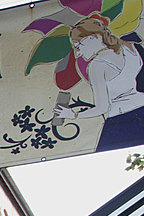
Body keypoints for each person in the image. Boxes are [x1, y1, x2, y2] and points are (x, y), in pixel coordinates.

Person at [54, 15, 144, 152]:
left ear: (94, 37)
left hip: (123, 121)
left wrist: (73, 114)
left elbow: (102, 107)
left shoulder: (97, 66)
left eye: (78, 46)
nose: (78, 53)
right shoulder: (133, 47)